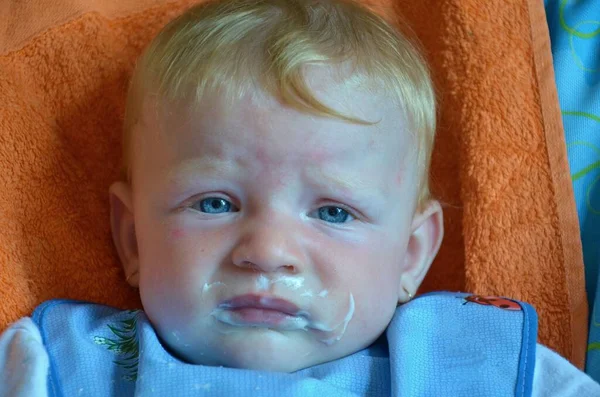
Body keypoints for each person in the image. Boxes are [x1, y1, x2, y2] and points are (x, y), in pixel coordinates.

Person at [1, 0, 599, 395]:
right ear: (133, 237)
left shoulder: (464, 365)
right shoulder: (68, 364)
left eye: (334, 212)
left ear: (411, 255)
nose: (268, 252)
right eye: (214, 203)